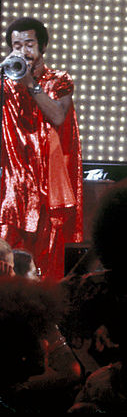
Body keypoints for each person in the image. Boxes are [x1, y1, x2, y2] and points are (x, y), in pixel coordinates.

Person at [0, 17, 83, 278]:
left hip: (47, 185)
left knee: (45, 264)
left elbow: (58, 117)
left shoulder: (59, 79)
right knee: (6, 258)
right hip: (10, 186)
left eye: (29, 44)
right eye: (16, 45)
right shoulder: (4, 81)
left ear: (42, 46)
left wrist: (29, 83)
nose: (23, 51)